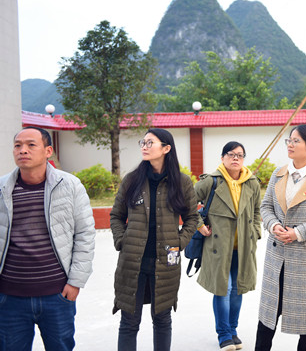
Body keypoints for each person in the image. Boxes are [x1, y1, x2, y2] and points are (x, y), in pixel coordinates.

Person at [0, 126, 96, 350]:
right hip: (9, 297)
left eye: (31, 145)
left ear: (48, 151)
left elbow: (85, 234)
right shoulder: (2, 188)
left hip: (57, 295)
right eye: (17, 145)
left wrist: (75, 282)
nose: (23, 150)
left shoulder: (70, 185)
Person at [110, 128, 198, 351]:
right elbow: (116, 216)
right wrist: (121, 241)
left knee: (162, 319)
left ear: (166, 149)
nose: (144, 146)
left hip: (166, 262)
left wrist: (180, 242)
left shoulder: (182, 182)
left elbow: (192, 218)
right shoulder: (132, 180)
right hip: (132, 262)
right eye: (143, 142)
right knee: (129, 322)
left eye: (150, 143)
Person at [255, 124, 306, 351]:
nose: (290, 145)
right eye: (289, 140)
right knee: (267, 319)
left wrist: (297, 233)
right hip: (276, 257)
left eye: (296, 141)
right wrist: (273, 225)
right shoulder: (278, 173)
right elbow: (265, 206)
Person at [194, 141, 262, 351]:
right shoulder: (211, 181)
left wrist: (256, 232)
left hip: (243, 247)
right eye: (231, 154)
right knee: (224, 289)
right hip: (218, 247)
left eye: (240, 155)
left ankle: (233, 331)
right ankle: (224, 334)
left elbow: (257, 211)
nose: (235, 158)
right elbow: (186, 203)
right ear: (222, 158)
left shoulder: (252, 183)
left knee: (237, 289)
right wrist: (199, 225)